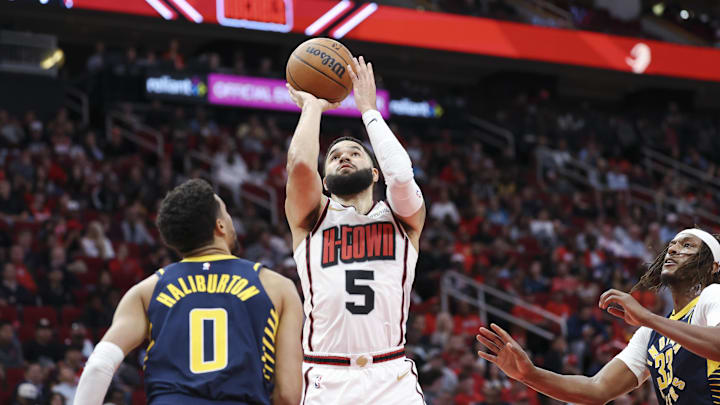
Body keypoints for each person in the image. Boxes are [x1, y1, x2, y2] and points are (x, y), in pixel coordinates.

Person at [74, 179, 303, 405]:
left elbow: (99, 366)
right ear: (220, 225)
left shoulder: (146, 291)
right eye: (226, 212)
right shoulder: (277, 287)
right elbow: (288, 395)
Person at [285, 56, 426, 403]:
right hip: (326, 377)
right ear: (326, 181)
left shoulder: (403, 220)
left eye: (355, 153)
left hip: (391, 375)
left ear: (375, 173)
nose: (344, 157)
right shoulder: (311, 218)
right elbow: (301, 165)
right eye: (334, 156)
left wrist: (369, 111)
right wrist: (313, 106)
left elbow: (402, 174)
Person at [476, 227, 720, 404]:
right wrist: (530, 375)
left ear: (713, 266)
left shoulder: (713, 296)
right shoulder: (650, 334)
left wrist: (647, 317)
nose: (674, 250)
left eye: (687, 245)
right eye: (672, 245)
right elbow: (597, 389)